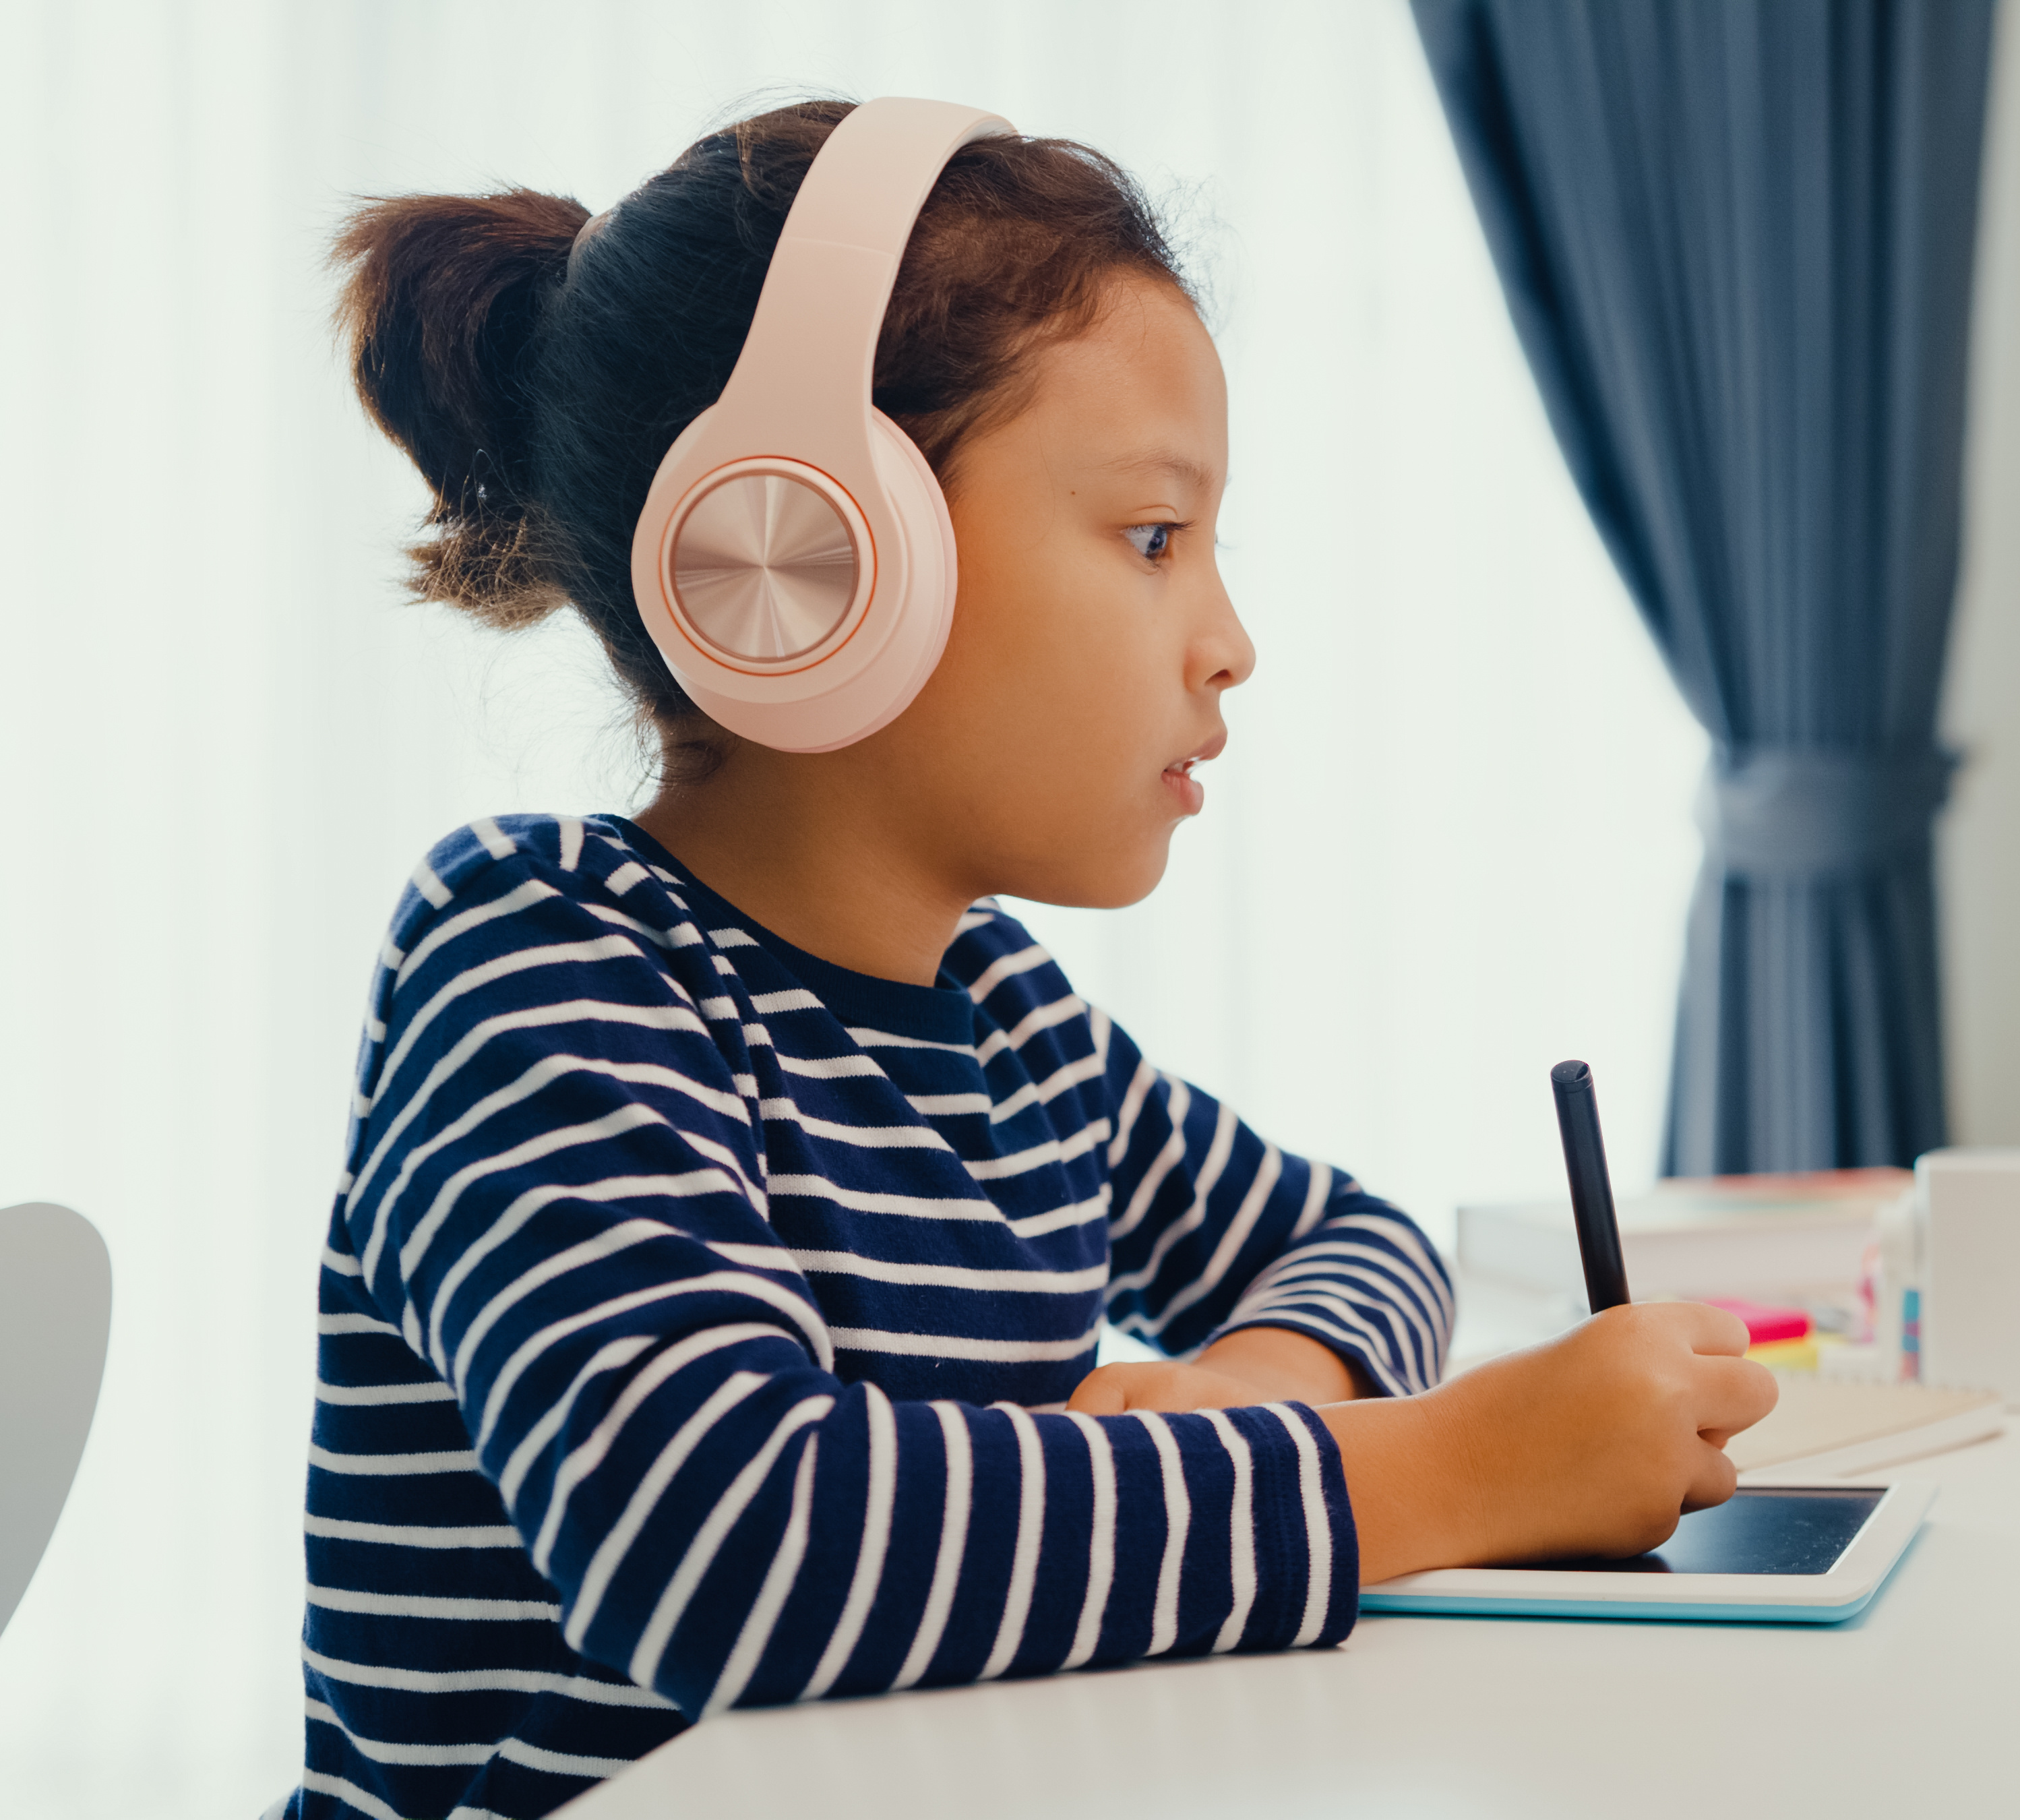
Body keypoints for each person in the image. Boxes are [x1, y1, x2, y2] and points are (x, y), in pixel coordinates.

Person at [297, 100, 1775, 1820]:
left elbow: (1352, 1243)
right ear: (810, 557)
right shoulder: (544, 971)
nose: (1230, 643)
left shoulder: (1007, 1025)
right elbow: (730, 1548)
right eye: (1155, 539)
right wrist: (1439, 1467)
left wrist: (1234, 1404)